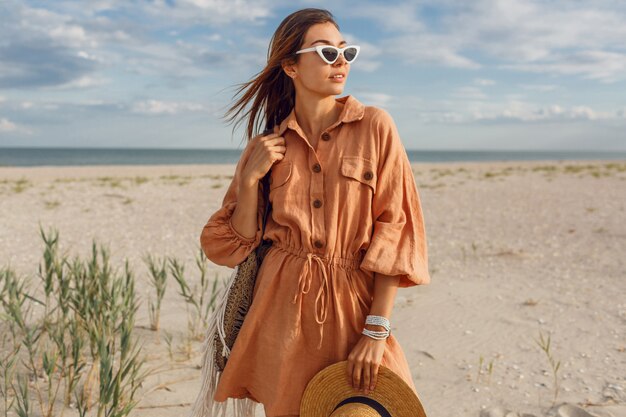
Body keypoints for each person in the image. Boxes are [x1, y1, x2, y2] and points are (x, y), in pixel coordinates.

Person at [199, 7, 431, 417]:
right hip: (280, 316)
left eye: (346, 51)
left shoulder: (375, 126)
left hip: (353, 308)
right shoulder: (265, 146)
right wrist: (252, 181)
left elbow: (395, 230)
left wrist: (376, 330)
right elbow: (230, 245)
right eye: (326, 52)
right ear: (290, 66)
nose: (340, 61)